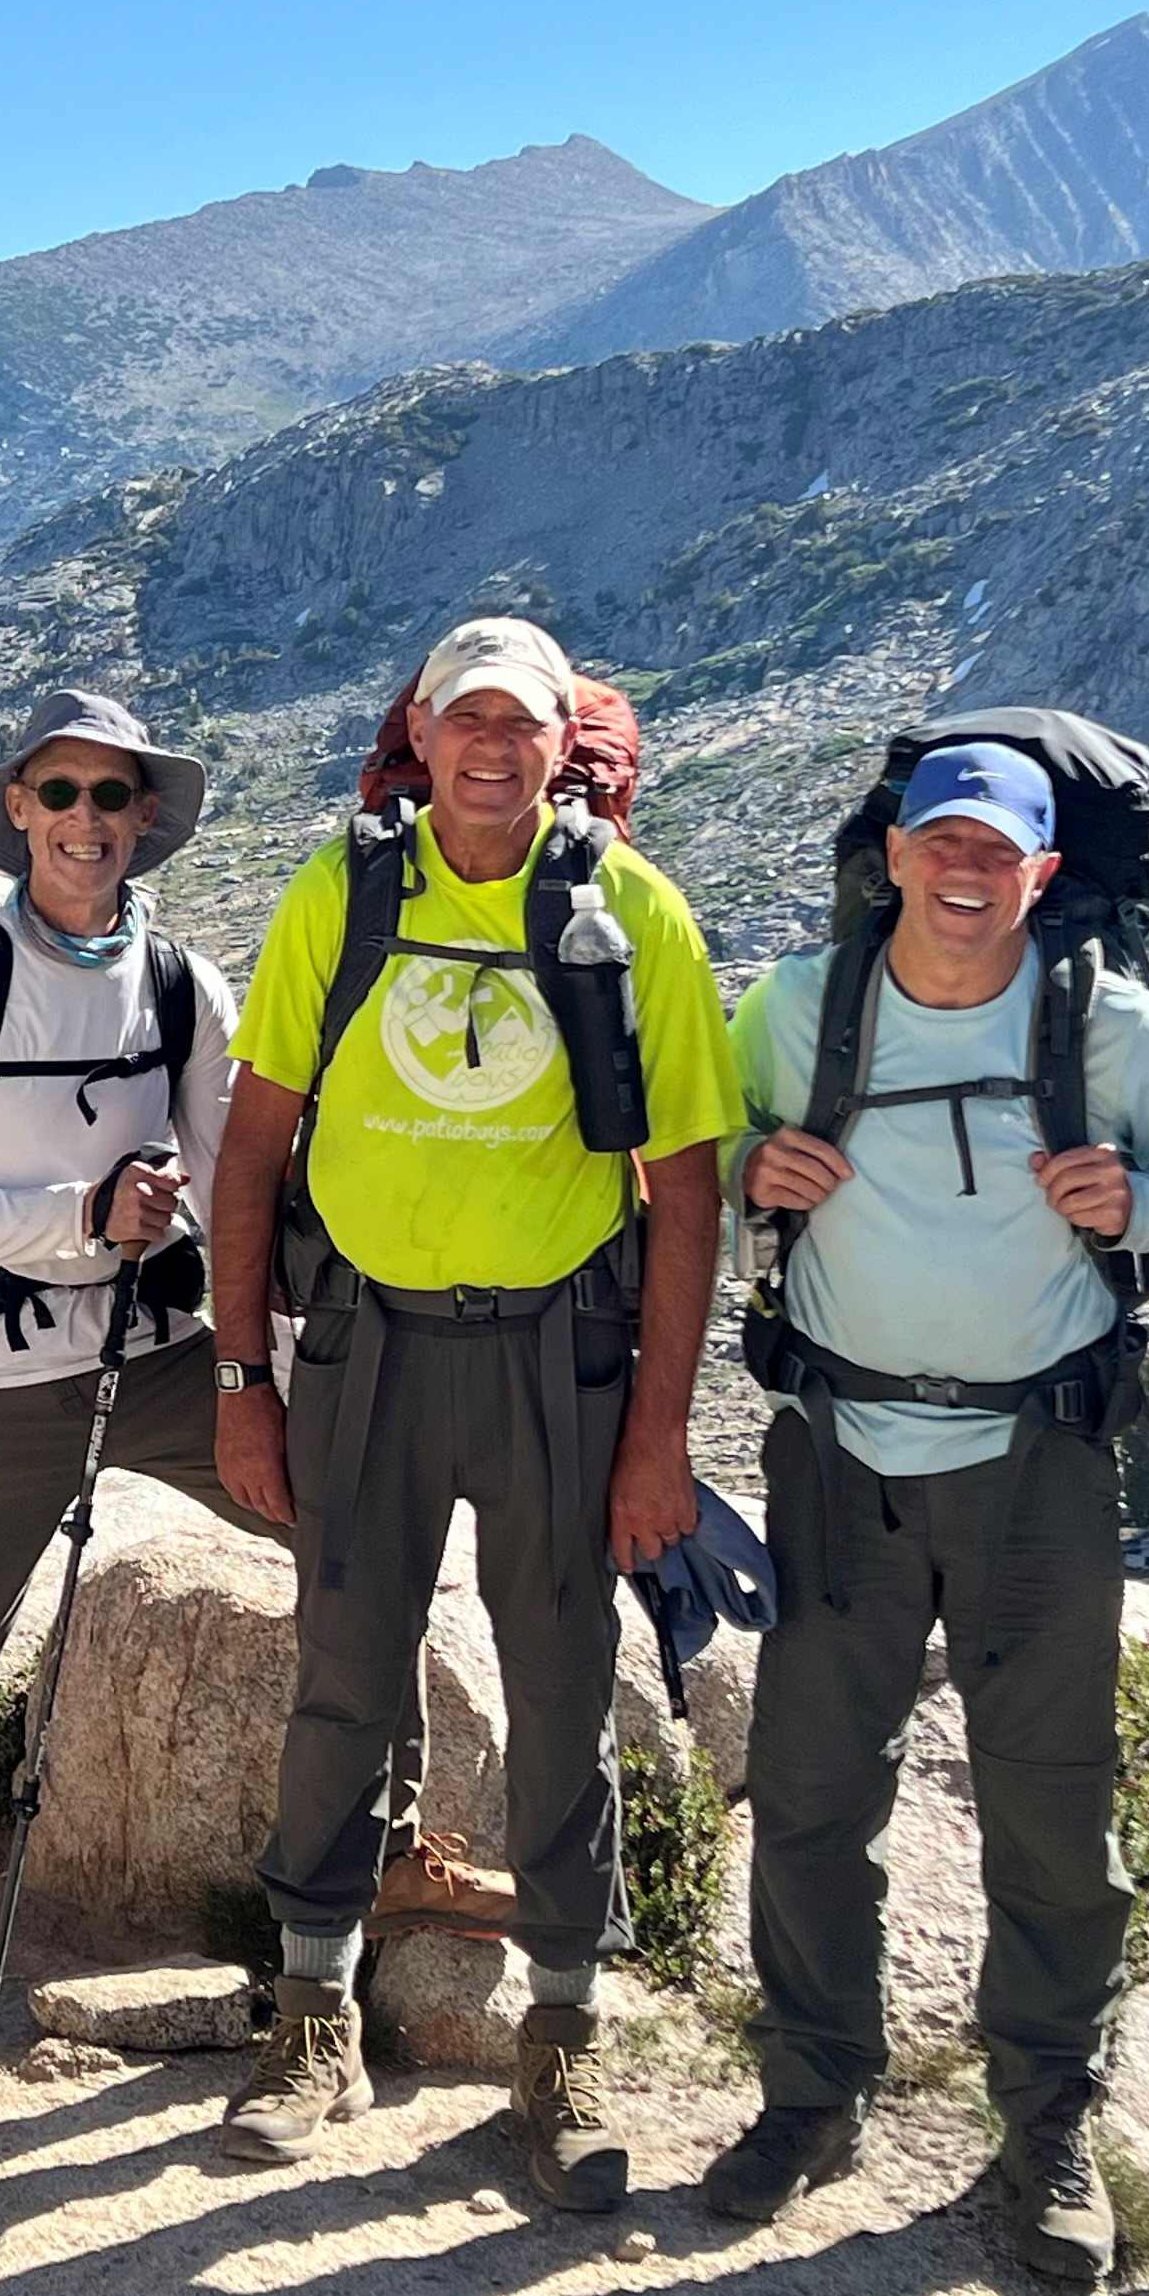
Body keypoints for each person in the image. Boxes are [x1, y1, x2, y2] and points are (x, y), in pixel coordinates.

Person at [0, 690, 498, 2070]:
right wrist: (81, 1217)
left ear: (145, 817)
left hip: (154, 1358)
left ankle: (389, 1850)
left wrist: (266, 1340)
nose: (85, 820)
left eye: (110, 795)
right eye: (60, 792)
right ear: (18, 809)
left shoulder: (184, 985)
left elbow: (229, 1179)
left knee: (351, 1544)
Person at [713, 740, 1149, 2284]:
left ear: (1042, 874)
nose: (965, 872)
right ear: (894, 855)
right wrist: (753, 1162)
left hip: (1038, 1463)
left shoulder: (1104, 1025)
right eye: (941, 842)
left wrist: (1142, 1203)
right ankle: (812, 2095)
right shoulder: (795, 1008)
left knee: (1051, 1816)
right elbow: (687, 1157)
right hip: (839, 1451)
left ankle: (1047, 2130)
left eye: (998, 851)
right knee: (811, 1797)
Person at [205, 615, 729, 2209]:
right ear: (422, 737)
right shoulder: (345, 892)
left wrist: (660, 1436)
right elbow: (252, 1148)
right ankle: (311, 2014)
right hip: (368, 1343)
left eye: (523, 725)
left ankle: (562, 2037)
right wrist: (242, 1380)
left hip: (559, 1353)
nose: (494, 750)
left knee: (563, 1680)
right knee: (343, 1669)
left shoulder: (635, 912)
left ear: (563, 743)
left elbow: (689, 1193)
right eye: (467, 722)